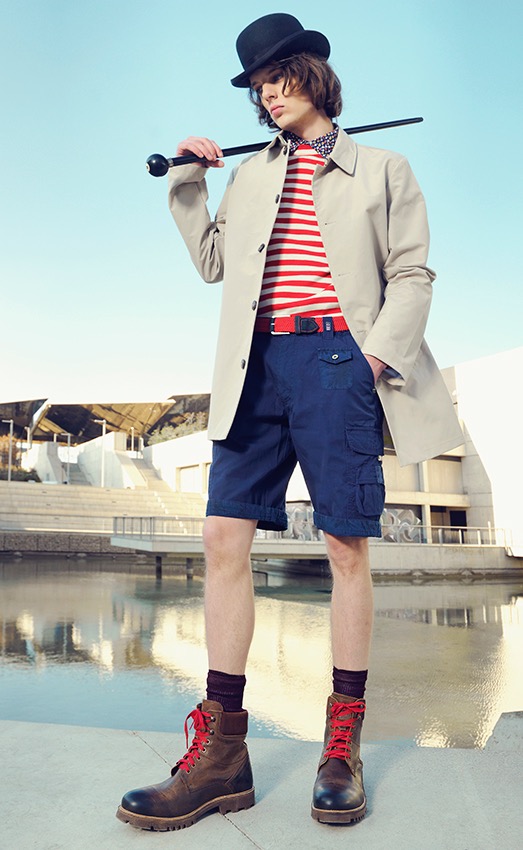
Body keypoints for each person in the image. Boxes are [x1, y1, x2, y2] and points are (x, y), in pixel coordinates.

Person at [116, 12, 463, 832]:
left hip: (338, 358)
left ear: (313, 75)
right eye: (258, 87)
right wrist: (188, 183)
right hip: (254, 363)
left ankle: (340, 749)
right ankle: (221, 755)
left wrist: (369, 360)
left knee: (344, 545)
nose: (268, 95)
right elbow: (213, 264)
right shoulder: (248, 177)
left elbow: (412, 274)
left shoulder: (382, 168)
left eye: (279, 78)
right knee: (221, 538)